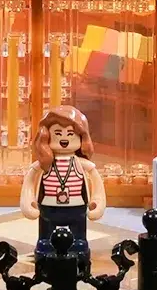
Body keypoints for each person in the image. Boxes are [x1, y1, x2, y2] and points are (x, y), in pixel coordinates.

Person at [20, 104, 106, 278]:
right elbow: (29, 180)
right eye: (58, 134)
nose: (64, 139)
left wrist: (97, 201)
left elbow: (97, 182)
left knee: (78, 234)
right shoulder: (43, 164)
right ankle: (45, 244)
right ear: (47, 136)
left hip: (77, 206)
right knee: (46, 232)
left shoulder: (81, 164)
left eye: (70, 134)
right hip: (48, 206)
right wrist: (28, 200)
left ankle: (79, 243)